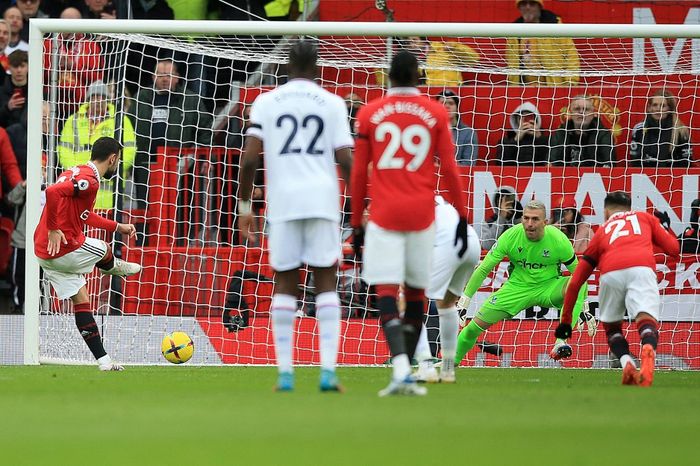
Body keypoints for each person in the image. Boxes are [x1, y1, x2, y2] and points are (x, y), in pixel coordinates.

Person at [237, 40, 353, 392]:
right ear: (317, 66)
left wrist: (244, 208)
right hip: (322, 201)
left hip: (284, 203)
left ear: (286, 66)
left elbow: (248, 159)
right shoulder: (332, 103)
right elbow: (346, 159)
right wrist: (366, 200)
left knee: (285, 283)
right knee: (326, 283)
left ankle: (285, 374)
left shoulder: (266, 101)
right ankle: (328, 372)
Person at [352, 50, 469, 396]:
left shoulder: (370, 112)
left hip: (385, 215)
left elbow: (359, 173)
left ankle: (402, 368)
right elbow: (450, 168)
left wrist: (358, 221)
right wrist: (462, 217)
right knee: (417, 293)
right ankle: (414, 367)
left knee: (387, 291)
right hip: (422, 214)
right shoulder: (434, 112)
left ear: (389, 78)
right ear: (420, 78)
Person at [33, 136, 141, 371]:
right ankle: (115, 267)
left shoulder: (77, 170)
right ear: (113, 158)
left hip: (44, 253)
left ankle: (104, 362)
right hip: (64, 247)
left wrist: (118, 226)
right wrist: (53, 228)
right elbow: (51, 192)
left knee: (81, 301)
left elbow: (85, 215)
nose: (117, 165)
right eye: (118, 161)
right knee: (103, 249)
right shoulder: (90, 181)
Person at [556, 191, 680, 386]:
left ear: (606, 212)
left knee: (612, 329)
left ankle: (627, 363)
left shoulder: (602, 232)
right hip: (642, 268)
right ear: (629, 209)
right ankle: (647, 348)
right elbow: (674, 250)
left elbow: (575, 282)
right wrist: (663, 228)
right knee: (646, 320)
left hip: (611, 272)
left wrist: (565, 322)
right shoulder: (644, 218)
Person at [455, 200, 596, 365]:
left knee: (575, 281)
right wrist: (465, 300)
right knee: (472, 328)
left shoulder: (558, 240)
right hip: (516, 289)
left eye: (535, 219)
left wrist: (584, 305)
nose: (529, 224)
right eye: (526, 218)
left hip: (549, 288)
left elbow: (579, 273)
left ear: (545, 222)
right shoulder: (510, 236)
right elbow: (484, 268)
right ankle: (449, 364)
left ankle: (560, 342)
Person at [410, 195, 481, 383]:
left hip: (447, 243)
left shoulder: (404, 200)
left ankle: (425, 366)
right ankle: (448, 369)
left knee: (410, 303)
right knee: (447, 303)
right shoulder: (436, 199)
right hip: (471, 240)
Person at [128, 58, 212, 208]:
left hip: (179, 167)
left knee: (178, 210)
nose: (165, 79)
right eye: (160, 75)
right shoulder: (141, 98)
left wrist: (205, 157)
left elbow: (205, 130)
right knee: (147, 210)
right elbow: (127, 128)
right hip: (144, 167)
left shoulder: (190, 100)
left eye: (169, 75)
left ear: (177, 77)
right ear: (153, 77)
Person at [58, 79, 136, 210]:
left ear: (107, 100)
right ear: (88, 99)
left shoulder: (120, 120)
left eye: (102, 97)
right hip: (80, 188)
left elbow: (129, 151)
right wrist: (79, 173)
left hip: (109, 196)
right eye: (94, 97)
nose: (98, 101)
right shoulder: (73, 120)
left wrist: (106, 170)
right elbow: (64, 151)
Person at [506, 0, 580, 86]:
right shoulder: (513, 32)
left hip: (554, 88)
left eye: (532, 4)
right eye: (523, 4)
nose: (528, 7)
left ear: (539, 6)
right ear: (519, 8)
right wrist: (513, 87)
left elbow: (571, 55)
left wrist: (571, 82)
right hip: (524, 90)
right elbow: (511, 65)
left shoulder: (554, 26)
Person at [376, 36, 480, 87]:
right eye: (408, 41)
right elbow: (385, 85)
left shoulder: (443, 50)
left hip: (446, 96)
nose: (412, 43)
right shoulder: (401, 61)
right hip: (416, 99)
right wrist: (382, 69)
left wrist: (456, 48)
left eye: (415, 39)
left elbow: (473, 60)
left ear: (424, 40)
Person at [629, 90, 693, 167]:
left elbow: (686, 162)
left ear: (669, 109)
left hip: (672, 175)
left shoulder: (681, 131)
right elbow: (634, 160)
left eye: (663, 106)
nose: (658, 109)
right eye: (655, 105)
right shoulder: (639, 129)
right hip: (644, 174)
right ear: (649, 108)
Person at [549, 95, 616, 167]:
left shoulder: (603, 134)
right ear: (571, 113)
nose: (581, 112)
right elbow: (550, 162)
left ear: (593, 114)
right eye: (577, 109)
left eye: (586, 109)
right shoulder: (561, 133)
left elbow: (608, 164)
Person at [437, 89, 478, 166]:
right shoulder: (429, 130)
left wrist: (443, 166)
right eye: (443, 103)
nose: (447, 106)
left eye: (451, 103)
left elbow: (469, 165)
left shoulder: (468, 133)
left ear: (457, 108)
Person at [479, 186, 522, 251]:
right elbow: (486, 246)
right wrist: (501, 218)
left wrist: (518, 219)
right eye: (500, 201)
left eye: (507, 200)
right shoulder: (488, 223)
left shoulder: (522, 220)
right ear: (496, 203)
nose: (503, 205)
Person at [0, 50, 27, 128]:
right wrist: (7, 107)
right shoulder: (2, 91)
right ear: (9, 67)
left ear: (28, 67)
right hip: (6, 134)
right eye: (15, 66)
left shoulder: (35, 90)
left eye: (22, 66)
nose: (19, 70)